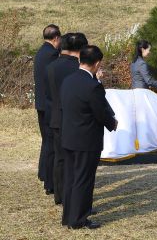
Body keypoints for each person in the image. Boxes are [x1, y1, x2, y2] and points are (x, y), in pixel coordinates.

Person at [61, 45, 117, 229]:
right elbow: (101, 111)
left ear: (80, 59)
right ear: (97, 63)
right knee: (84, 180)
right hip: (86, 139)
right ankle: (79, 219)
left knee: (71, 178)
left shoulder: (68, 80)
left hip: (69, 136)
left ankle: (68, 216)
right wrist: (112, 123)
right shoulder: (93, 86)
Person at [45, 33, 88, 205]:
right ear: (80, 49)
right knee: (76, 162)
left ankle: (60, 195)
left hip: (55, 116)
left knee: (60, 158)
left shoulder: (51, 66)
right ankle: (73, 198)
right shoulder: (78, 68)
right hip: (75, 119)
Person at [33, 24, 61, 194]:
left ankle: (44, 174)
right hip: (49, 104)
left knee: (46, 141)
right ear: (56, 38)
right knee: (50, 142)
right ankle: (49, 180)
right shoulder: (51, 54)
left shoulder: (40, 52)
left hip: (41, 103)